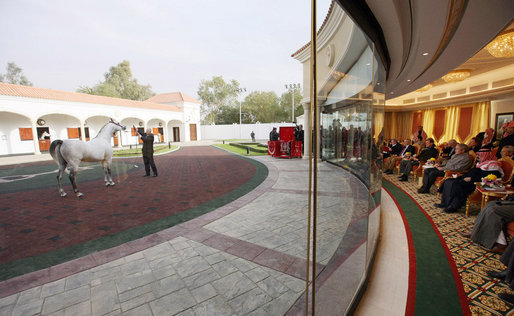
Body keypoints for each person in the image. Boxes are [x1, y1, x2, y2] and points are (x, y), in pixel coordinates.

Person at [435, 148, 503, 213]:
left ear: (486, 155)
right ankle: (444, 203)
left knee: (456, 185)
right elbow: (472, 172)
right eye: (477, 155)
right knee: (448, 180)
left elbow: (491, 178)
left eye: (479, 155)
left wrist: (472, 179)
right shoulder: (481, 164)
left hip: (475, 183)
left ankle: (454, 206)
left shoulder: (493, 166)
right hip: (467, 179)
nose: (477, 157)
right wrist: (461, 174)